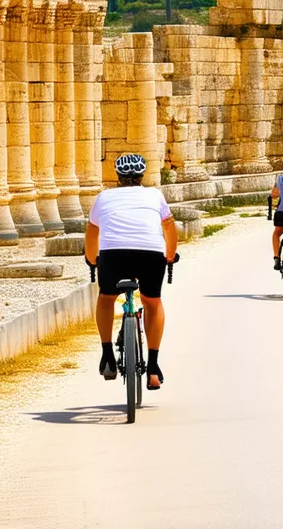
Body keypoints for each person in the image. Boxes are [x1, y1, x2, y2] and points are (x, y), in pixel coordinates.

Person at [85, 154, 177, 391]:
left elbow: (92, 232)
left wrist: (91, 259)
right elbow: (169, 226)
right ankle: (154, 368)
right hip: (150, 254)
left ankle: (107, 355)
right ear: (141, 176)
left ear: (118, 177)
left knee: (106, 298)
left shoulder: (104, 197)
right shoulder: (154, 195)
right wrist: (169, 255)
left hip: (113, 255)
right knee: (152, 301)